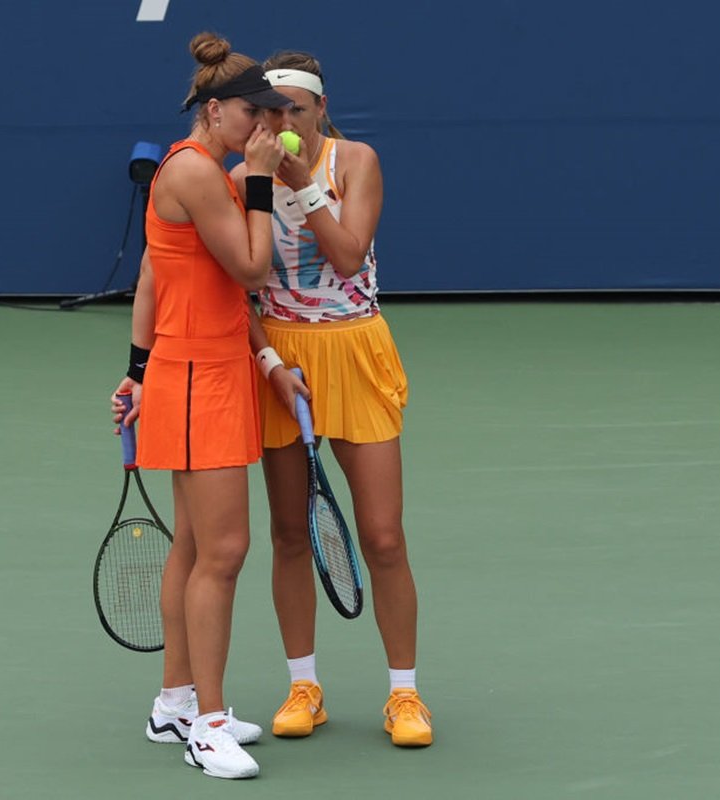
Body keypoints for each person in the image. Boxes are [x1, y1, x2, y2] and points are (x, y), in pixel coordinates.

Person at [229, 50, 434, 747]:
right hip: (283, 363)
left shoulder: (355, 162)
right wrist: (266, 360)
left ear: (320, 109)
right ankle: (303, 687)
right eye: (268, 108)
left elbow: (348, 256)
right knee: (290, 534)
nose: (280, 119)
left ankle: (404, 697)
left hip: (356, 349)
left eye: (293, 106)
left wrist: (303, 190)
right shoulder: (241, 179)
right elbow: (240, 288)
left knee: (382, 535)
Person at [108, 32, 291, 779]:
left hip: (201, 371)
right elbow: (252, 264)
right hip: (200, 382)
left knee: (190, 546)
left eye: (272, 117)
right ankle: (207, 725)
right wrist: (259, 179)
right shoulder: (197, 174)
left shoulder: (199, 169)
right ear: (215, 111)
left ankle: (175, 701)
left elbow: (158, 276)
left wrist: (137, 371)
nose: (266, 128)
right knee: (224, 552)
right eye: (255, 115)